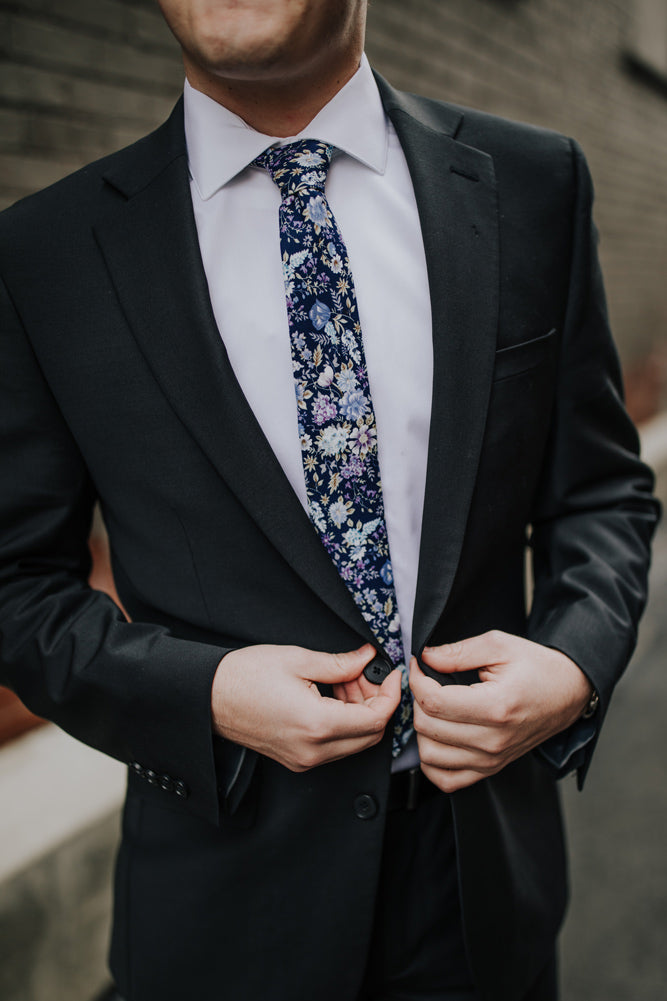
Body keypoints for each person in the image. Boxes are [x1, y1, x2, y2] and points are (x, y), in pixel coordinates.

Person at [0, 2, 658, 1000]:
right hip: (223, 910)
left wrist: (571, 661)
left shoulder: (531, 182)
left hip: (479, 893)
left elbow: (601, 489)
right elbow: (16, 587)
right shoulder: (46, 252)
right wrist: (203, 696)